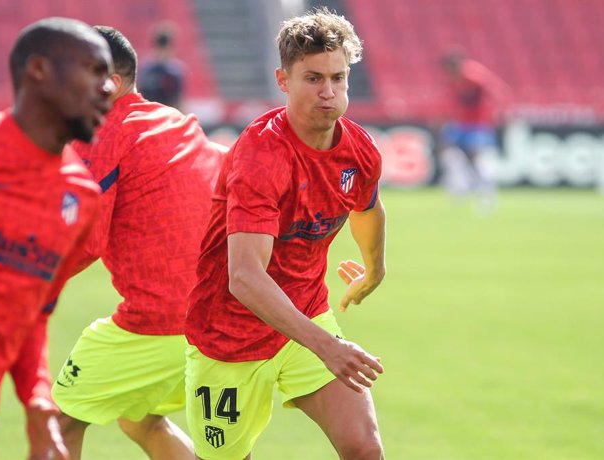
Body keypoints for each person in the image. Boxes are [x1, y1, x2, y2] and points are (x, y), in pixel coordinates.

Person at [184, 8, 386, 459]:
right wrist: (328, 348)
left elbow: (368, 208)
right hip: (228, 337)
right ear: (283, 80)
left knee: (364, 450)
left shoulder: (360, 149)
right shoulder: (262, 157)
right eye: (313, 78)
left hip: (307, 315)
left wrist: (375, 270)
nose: (328, 92)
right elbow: (245, 278)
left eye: (338, 77)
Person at [50, 25, 225, 460]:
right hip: (220, 315)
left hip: (160, 321)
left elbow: (84, 242)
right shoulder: (174, 121)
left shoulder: (101, 133)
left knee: (60, 423)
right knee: (140, 418)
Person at [0, 17, 114, 460]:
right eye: (93, 70)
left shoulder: (80, 198)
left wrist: (38, 398)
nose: (108, 87)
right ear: (39, 70)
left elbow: (33, 313)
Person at [437, 47, 510, 214]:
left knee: (478, 159)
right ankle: (461, 187)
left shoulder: (475, 77)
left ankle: (487, 196)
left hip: (478, 125)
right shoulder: (452, 80)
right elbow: (453, 103)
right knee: (446, 151)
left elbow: (498, 93)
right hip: (460, 123)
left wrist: (499, 114)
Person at [139, 22, 187, 109]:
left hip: (159, 114)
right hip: (156, 114)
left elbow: (178, 99)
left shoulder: (175, 70)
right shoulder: (146, 69)